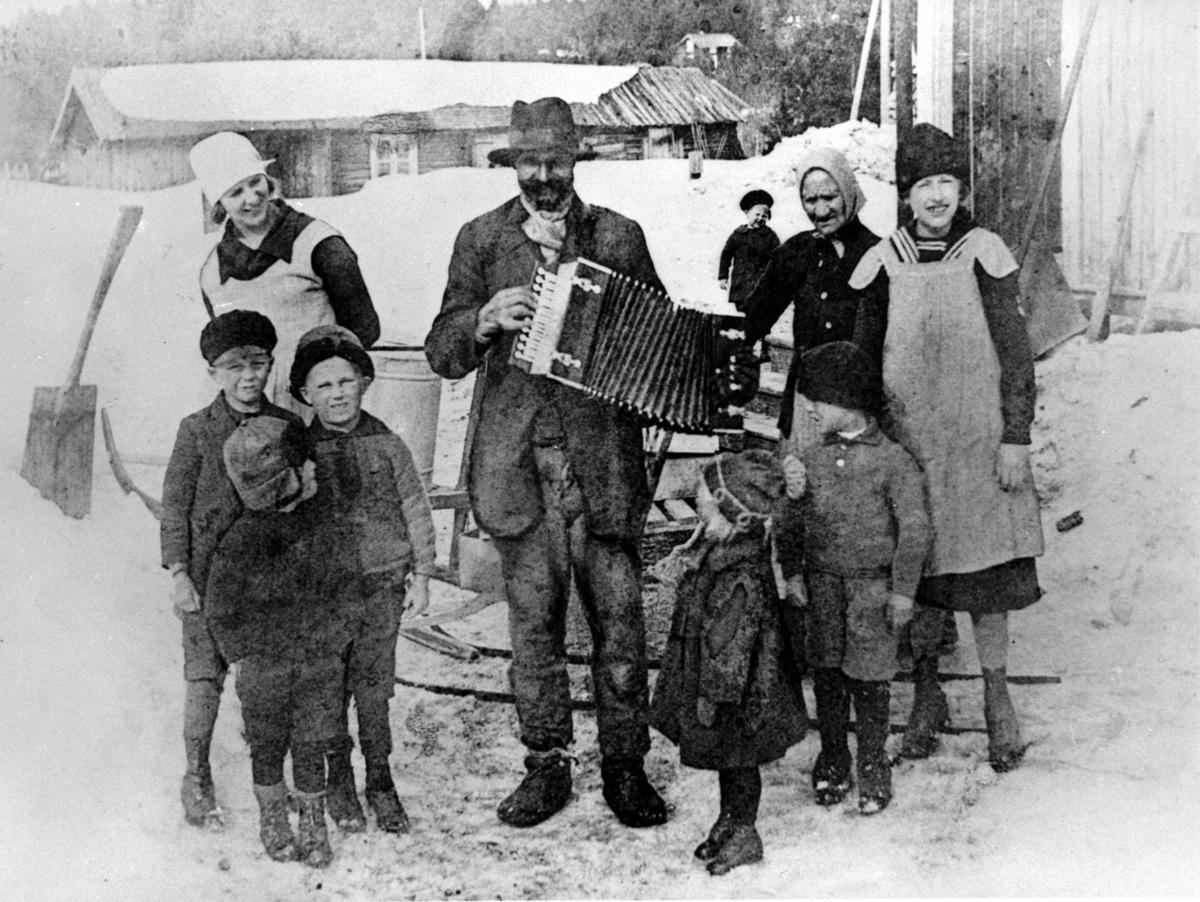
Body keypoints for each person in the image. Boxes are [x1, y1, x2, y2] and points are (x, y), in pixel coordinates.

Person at [423, 97, 671, 830]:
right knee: (533, 630)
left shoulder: (619, 236)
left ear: (574, 162)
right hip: (518, 468)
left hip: (602, 468)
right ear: (511, 165)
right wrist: (481, 322)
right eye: (528, 163)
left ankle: (625, 766)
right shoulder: (480, 239)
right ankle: (547, 765)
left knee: (621, 627)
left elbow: (657, 341)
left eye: (554, 162)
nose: (541, 176)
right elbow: (442, 350)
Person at [850, 123, 1044, 773]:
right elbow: (861, 364)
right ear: (904, 196)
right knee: (922, 576)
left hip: (981, 448)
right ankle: (928, 696)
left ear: (962, 190)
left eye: (946, 183)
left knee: (988, 579)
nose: (936, 196)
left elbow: (1017, 358)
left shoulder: (985, 251)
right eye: (923, 185)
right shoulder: (882, 261)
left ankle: (997, 700)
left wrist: (1015, 436)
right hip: (914, 453)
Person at [289, 324, 437, 835]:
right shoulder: (299, 448)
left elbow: (415, 508)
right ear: (306, 394)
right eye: (324, 386)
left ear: (364, 384)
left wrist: (422, 575)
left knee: (374, 691)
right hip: (324, 595)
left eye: (346, 382)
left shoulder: (387, 444)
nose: (337, 394)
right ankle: (341, 782)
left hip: (380, 589)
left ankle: (381, 780)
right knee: (329, 692)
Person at [160, 309, 303, 829]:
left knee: (270, 685)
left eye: (259, 363)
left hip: (267, 582)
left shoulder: (288, 427)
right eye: (234, 366)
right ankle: (196, 779)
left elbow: (304, 505)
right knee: (204, 681)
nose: (248, 377)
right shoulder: (195, 432)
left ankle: (272, 779)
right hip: (203, 579)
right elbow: (174, 506)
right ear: (213, 373)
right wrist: (178, 572)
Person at [780, 341, 931, 813]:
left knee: (870, 682)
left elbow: (916, 529)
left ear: (847, 402)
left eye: (818, 402)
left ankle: (872, 766)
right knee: (826, 676)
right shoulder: (811, 458)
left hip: (872, 591)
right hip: (823, 586)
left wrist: (904, 591)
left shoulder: (894, 461)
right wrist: (792, 570)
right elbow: (790, 520)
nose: (810, 411)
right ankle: (832, 761)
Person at [205, 416, 362, 867]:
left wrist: (335, 641)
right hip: (264, 669)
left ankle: (314, 824)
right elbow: (221, 608)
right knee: (268, 745)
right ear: (282, 480)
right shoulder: (241, 540)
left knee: (313, 743)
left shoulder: (324, 526)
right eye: (305, 464)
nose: (314, 469)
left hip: (318, 663)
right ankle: (273, 818)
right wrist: (244, 655)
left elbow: (348, 588)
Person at [649, 450, 806, 876]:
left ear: (731, 514)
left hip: (735, 697)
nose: (698, 504)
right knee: (728, 761)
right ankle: (728, 821)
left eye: (704, 499)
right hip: (722, 691)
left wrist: (713, 696)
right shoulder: (720, 553)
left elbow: (729, 645)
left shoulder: (739, 576)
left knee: (739, 762)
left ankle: (745, 833)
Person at [188, 131, 381, 414]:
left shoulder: (319, 244)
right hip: (253, 412)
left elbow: (364, 328)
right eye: (236, 192)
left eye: (256, 183)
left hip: (317, 405)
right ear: (219, 204)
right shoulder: (213, 272)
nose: (252, 198)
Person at [717, 189, 780, 311]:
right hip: (740, 284)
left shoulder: (770, 236)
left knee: (758, 315)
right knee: (742, 314)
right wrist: (723, 277)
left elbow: (779, 258)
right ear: (747, 213)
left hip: (761, 285)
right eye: (757, 215)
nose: (760, 218)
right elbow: (726, 254)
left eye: (764, 216)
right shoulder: (738, 234)